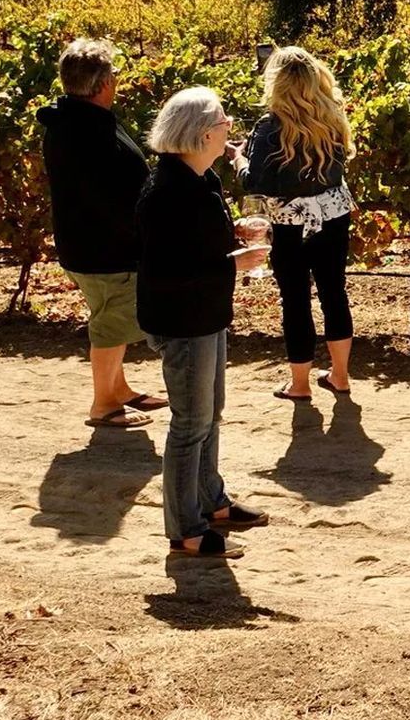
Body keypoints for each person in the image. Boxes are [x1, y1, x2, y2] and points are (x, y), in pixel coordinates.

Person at [140, 87, 271, 559]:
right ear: (201, 134)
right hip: (183, 322)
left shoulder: (199, 179)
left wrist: (233, 233)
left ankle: (211, 502)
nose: (229, 126)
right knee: (190, 424)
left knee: (209, 415)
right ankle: (186, 531)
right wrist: (232, 265)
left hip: (207, 314)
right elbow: (168, 271)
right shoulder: (167, 193)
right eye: (222, 120)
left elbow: (193, 243)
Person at [37, 38, 165, 428]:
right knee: (111, 324)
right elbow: (108, 197)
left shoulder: (70, 119)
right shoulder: (88, 130)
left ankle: (118, 390)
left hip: (87, 243)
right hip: (106, 249)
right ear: (105, 82)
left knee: (110, 317)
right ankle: (103, 404)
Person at [237, 47, 357, 402]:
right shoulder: (332, 116)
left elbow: (255, 182)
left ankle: (300, 384)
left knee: (295, 299)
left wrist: (238, 159)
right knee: (334, 292)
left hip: (289, 223)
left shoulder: (270, 126)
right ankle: (340, 376)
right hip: (333, 215)